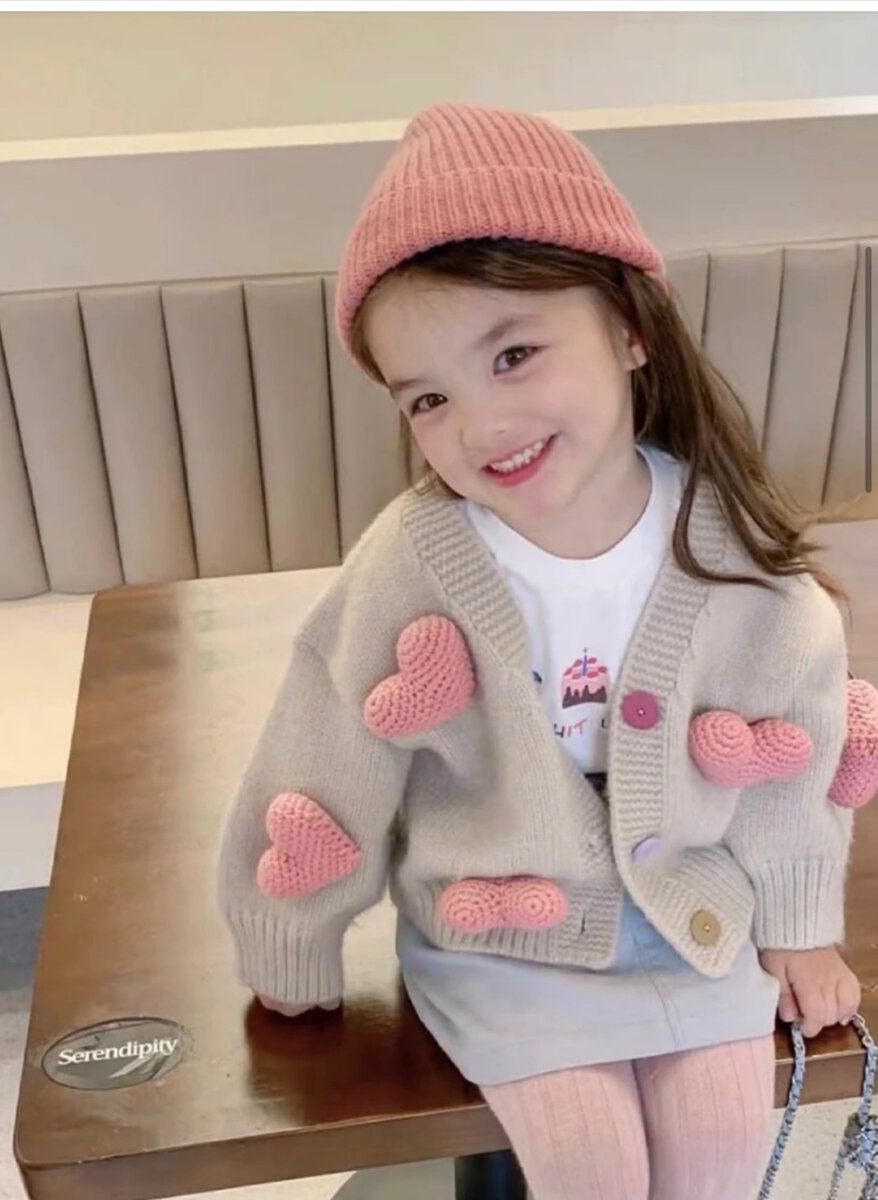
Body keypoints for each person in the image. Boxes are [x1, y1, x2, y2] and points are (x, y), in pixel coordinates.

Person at [217, 103, 865, 1200]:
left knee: (718, 1150)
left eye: (514, 354)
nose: (481, 427)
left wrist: (800, 925)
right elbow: (322, 760)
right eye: (430, 398)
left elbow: (788, 750)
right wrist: (292, 938)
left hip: (694, 913)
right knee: (588, 1167)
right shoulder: (414, 562)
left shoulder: (726, 548)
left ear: (630, 327)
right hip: (505, 929)